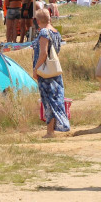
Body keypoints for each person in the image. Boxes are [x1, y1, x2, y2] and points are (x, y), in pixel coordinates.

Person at [31, 8, 69, 138]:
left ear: (37, 20)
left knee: (48, 100)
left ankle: (50, 131)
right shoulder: (55, 31)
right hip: (55, 70)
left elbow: (43, 53)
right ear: (50, 18)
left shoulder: (43, 32)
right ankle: (54, 128)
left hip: (45, 71)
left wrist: (36, 69)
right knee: (56, 98)